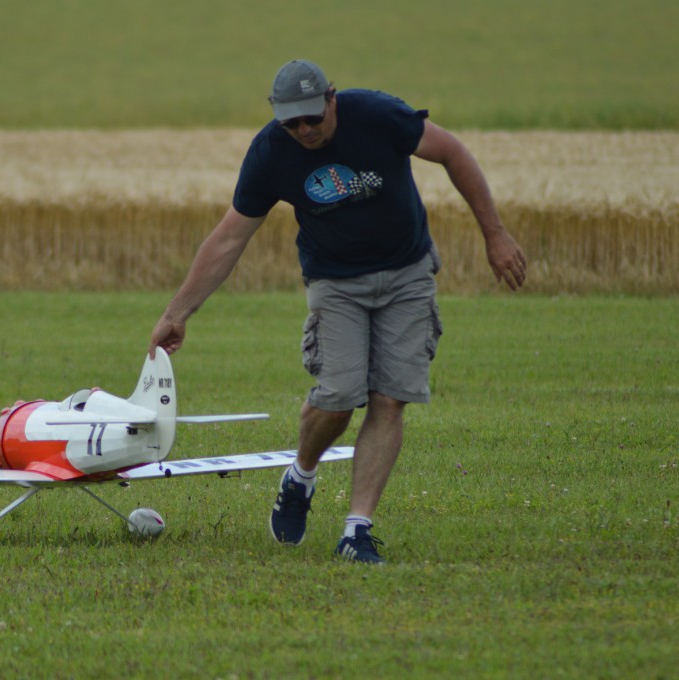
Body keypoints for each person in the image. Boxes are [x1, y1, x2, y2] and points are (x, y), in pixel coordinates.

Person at [147, 59, 527, 564]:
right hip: (335, 282)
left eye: (313, 117)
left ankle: (356, 530)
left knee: (389, 399)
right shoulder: (270, 152)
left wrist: (494, 233)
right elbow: (230, 237)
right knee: (339, 398)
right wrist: (179, 311)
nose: (304, 130)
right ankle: (301, 474)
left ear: (332, 99)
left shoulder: (378, 115)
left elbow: (453, 153)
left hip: (407, 272)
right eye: (292, 122)